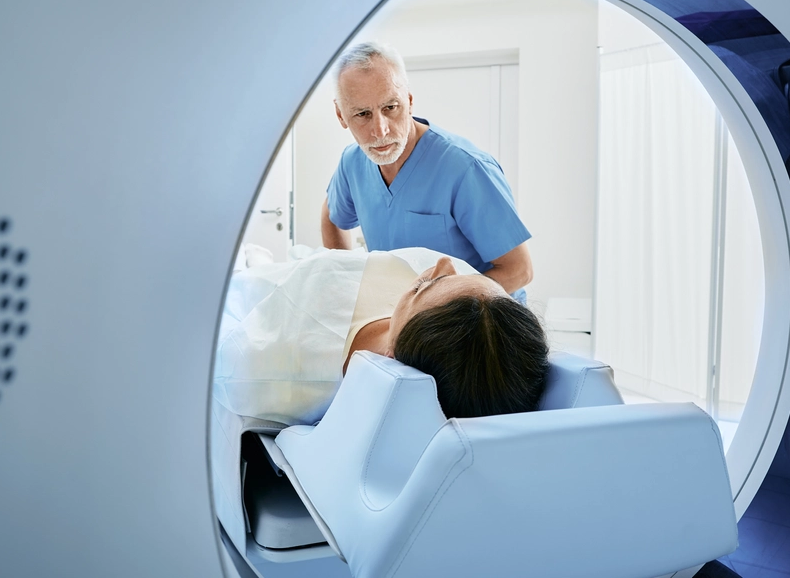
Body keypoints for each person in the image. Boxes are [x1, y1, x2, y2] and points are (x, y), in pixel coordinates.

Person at [212, 247, 548, 426]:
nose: (444, 263)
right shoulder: (468, 315)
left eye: (426, 285)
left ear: (393, 354)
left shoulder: (274, 365)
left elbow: (223, 324)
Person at [321, 41, 534, 302]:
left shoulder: (465, 168)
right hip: (404, 317)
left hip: (478, 322)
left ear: (409, 101)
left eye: (390, 107)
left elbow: (519, 271)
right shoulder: (352, 163)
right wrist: (350, 282)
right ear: (341, 115)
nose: (380, 130)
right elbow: (333, 215)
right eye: (362, 114)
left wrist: (436, 307)